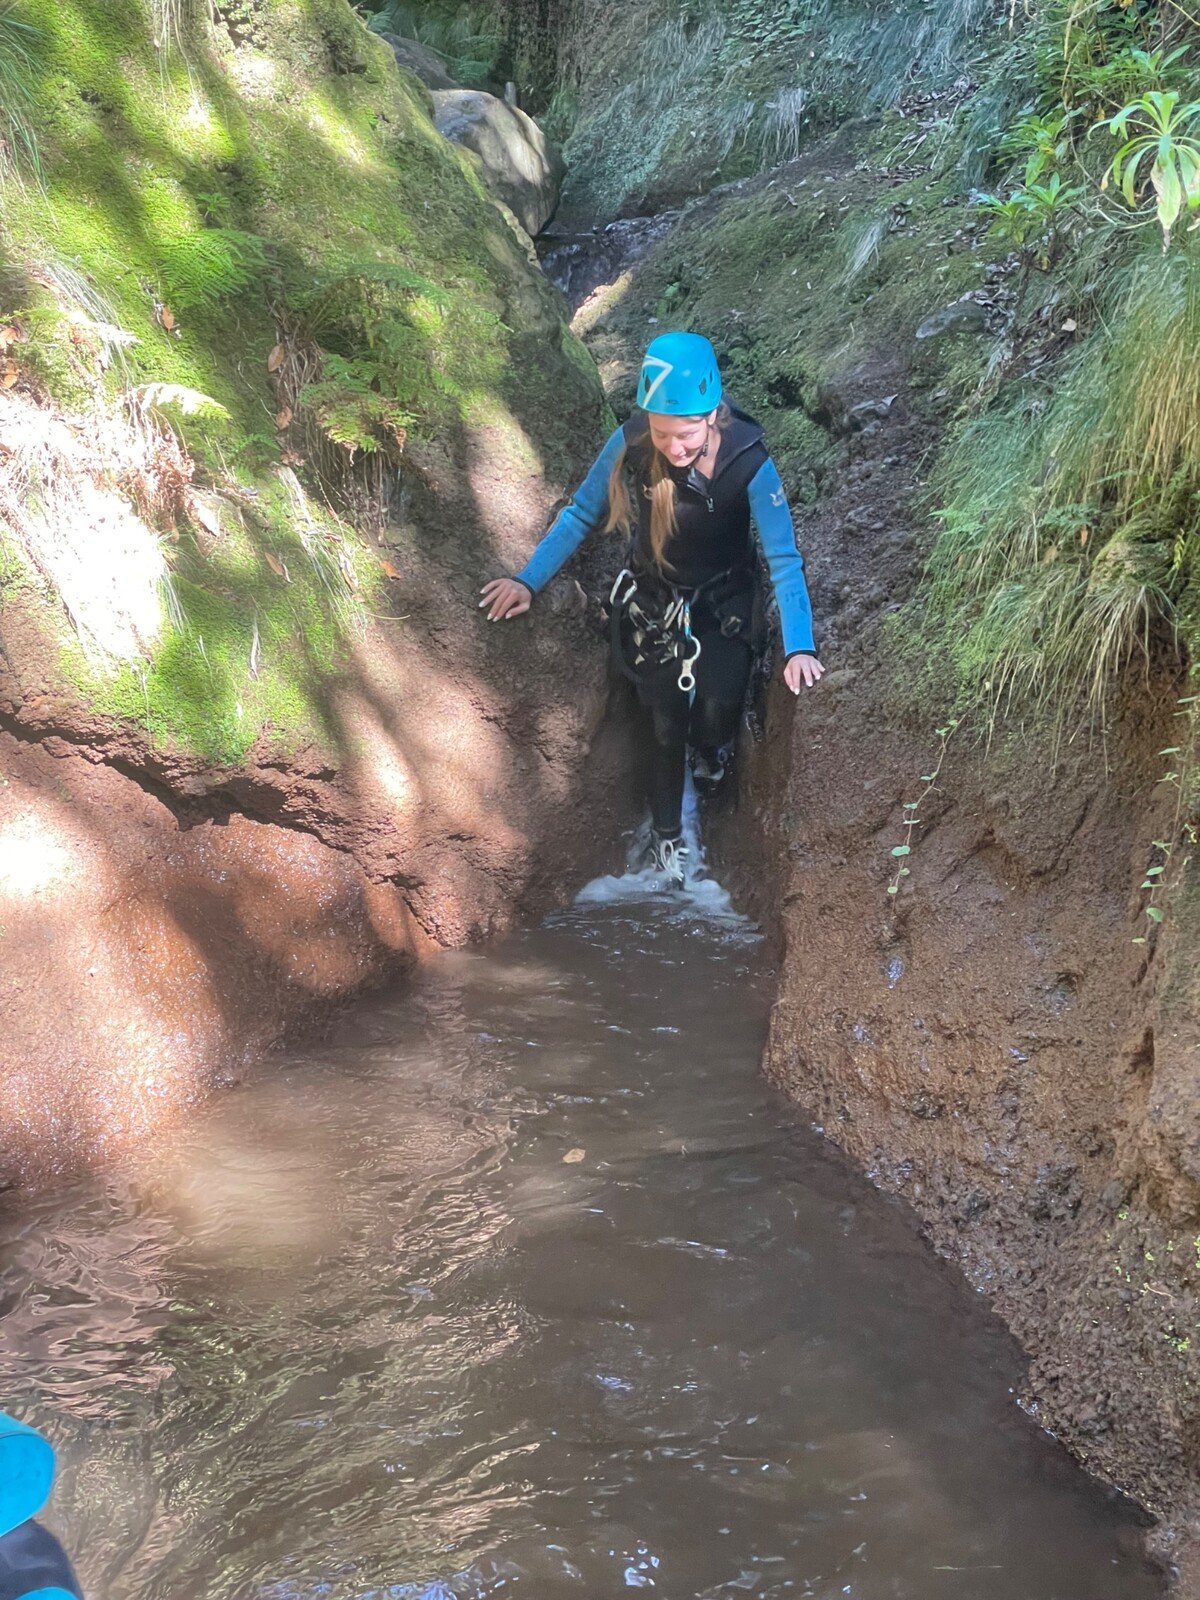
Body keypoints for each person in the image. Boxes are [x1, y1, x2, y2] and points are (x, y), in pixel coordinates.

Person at [480, 331, 823, 885]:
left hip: (726, 605)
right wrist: (528, 580)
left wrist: (800, 643)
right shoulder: (634, 441)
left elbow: (784, 558)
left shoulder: (749, 462)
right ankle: (668, 846)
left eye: (686, 436)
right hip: (653, 604)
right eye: (664, 435)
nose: (675, 448)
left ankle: (714, 767)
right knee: (663, 723)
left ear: (712, 415)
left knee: (717, 705)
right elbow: (581, 512)